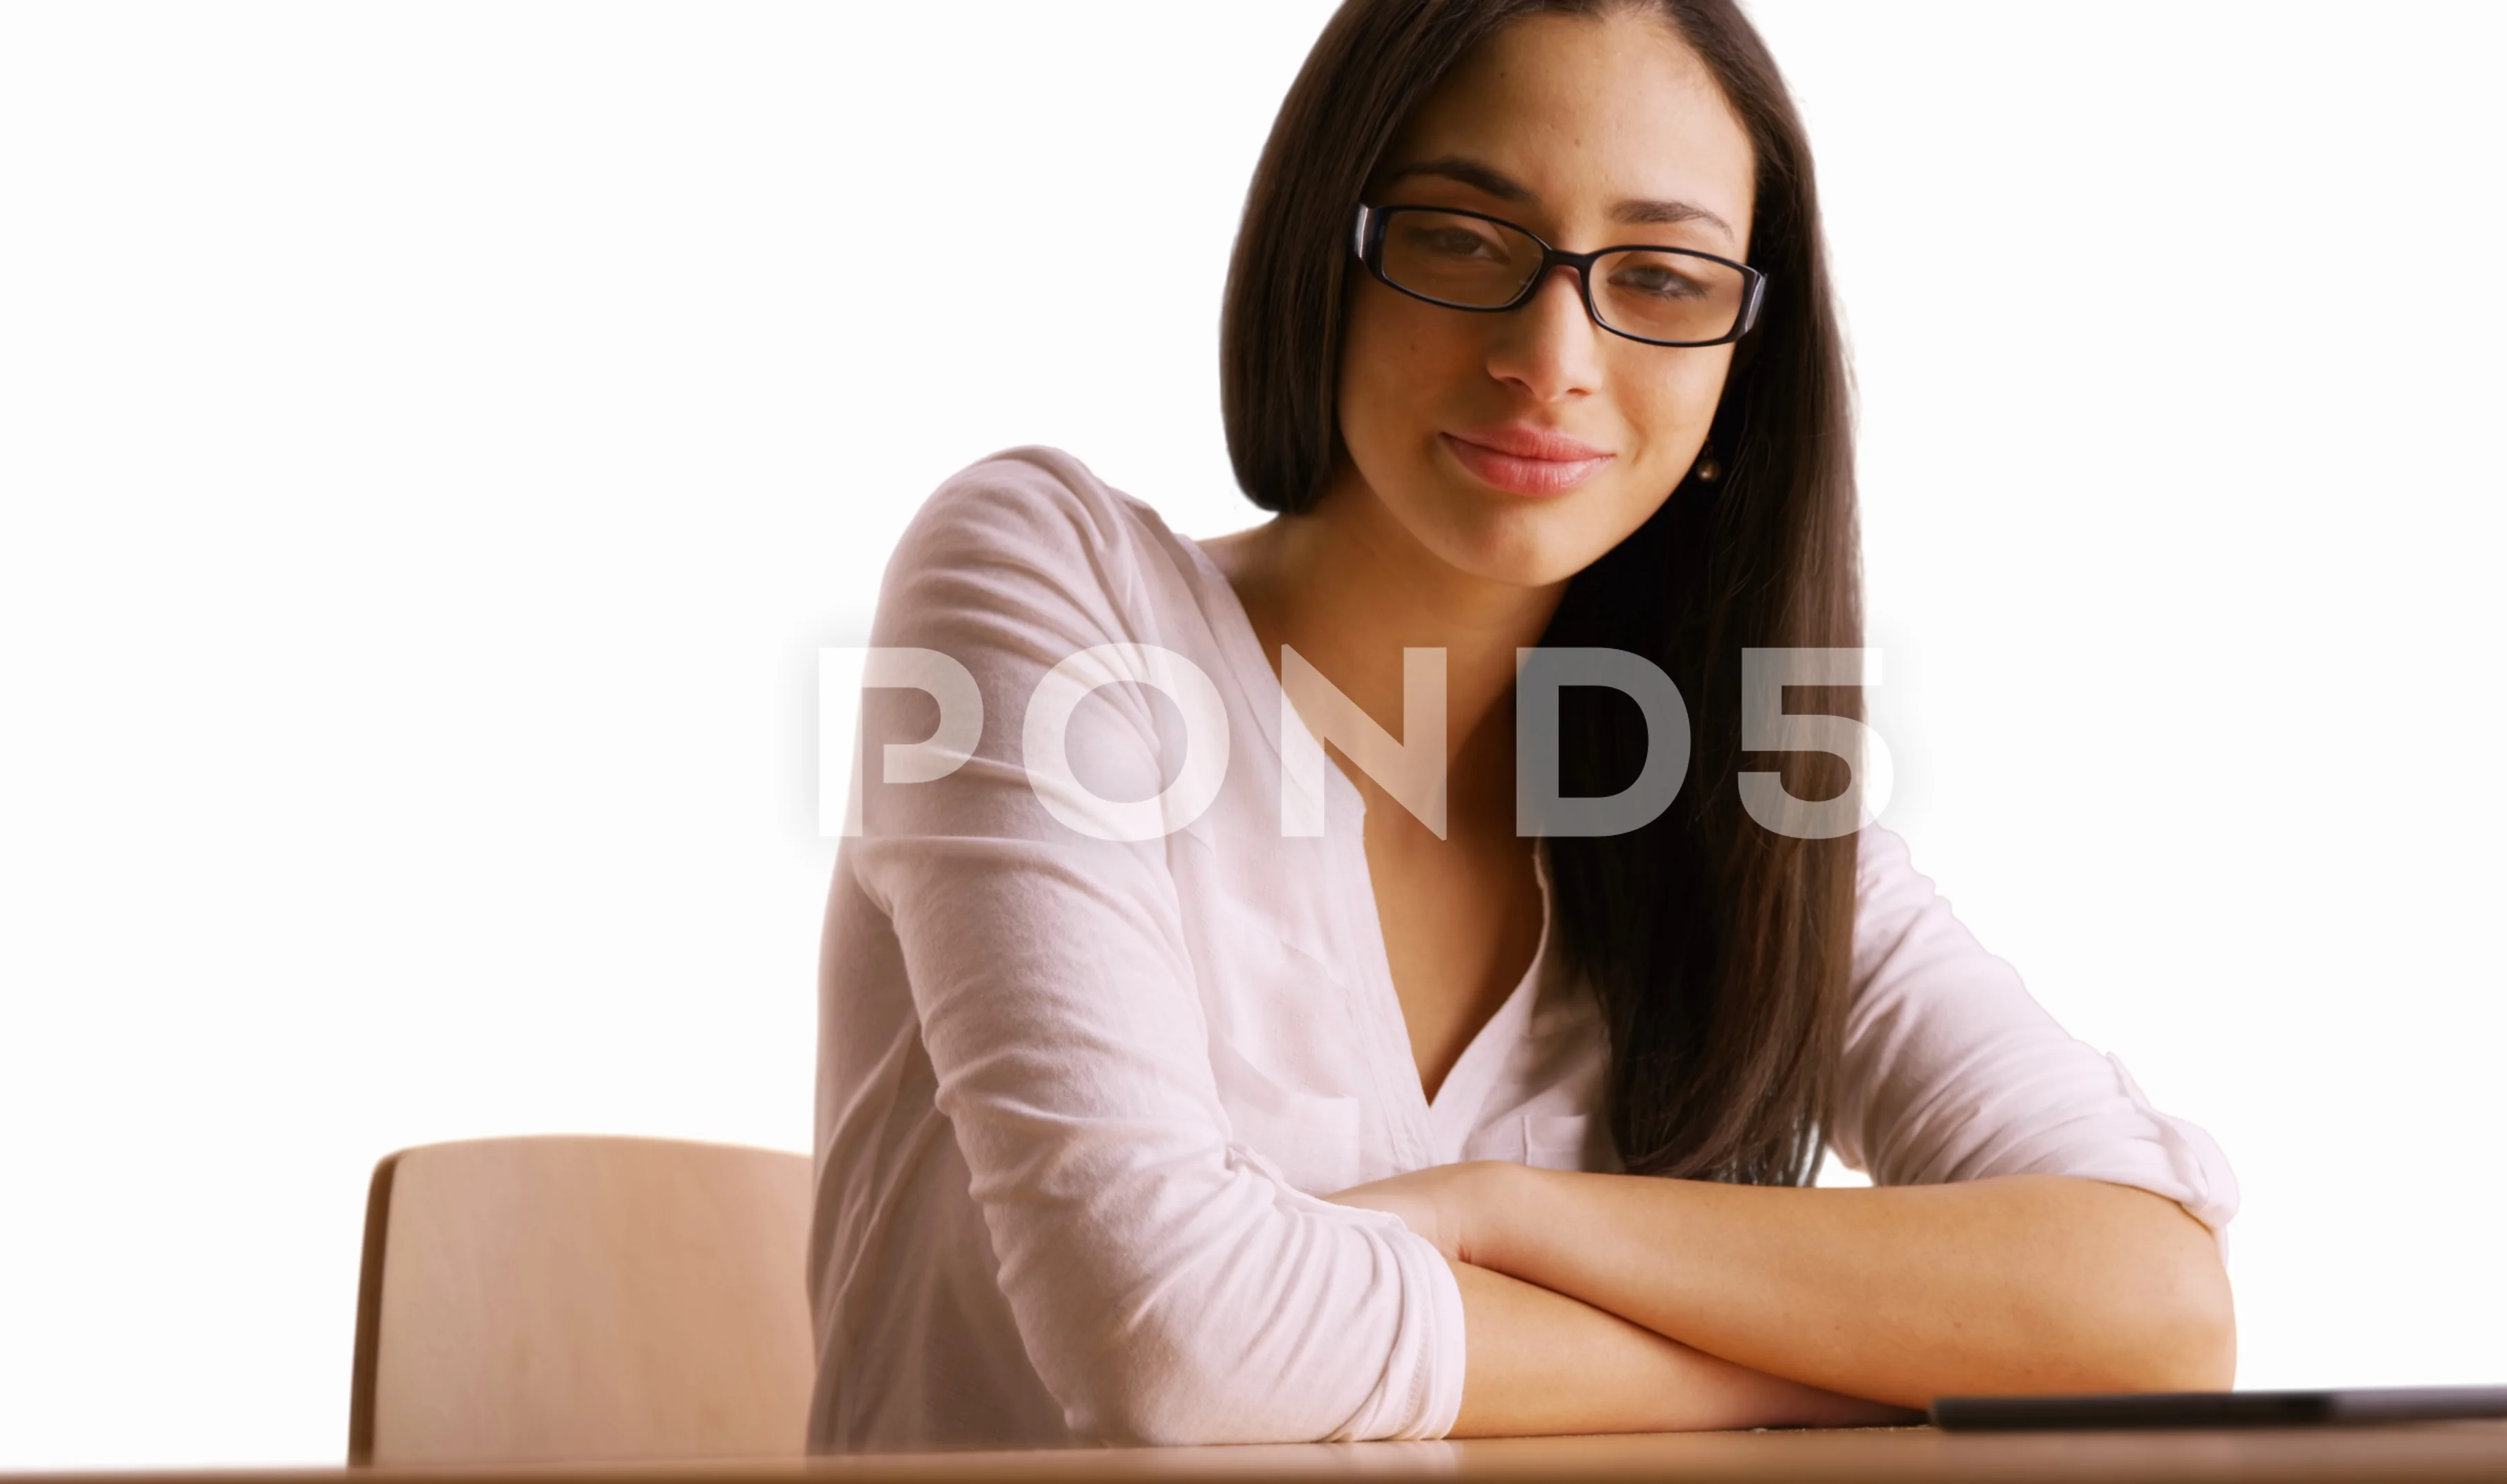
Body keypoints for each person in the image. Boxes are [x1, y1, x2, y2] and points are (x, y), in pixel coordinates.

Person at [809, 0, 2238, 1452]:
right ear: (1328, 254)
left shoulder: (1717, 791)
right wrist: (1851, 1366)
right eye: (1461, 239)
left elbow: (2150, 1312)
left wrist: (1508, 1218)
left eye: (1665, 279)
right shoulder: (1047, 590)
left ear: (1743, 359)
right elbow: (1174, 1347)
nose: (1549, 355)